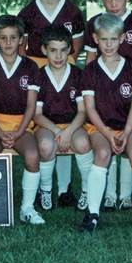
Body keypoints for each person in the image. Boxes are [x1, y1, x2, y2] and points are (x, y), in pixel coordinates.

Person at [79, 14, 132, 233]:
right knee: (103, 155)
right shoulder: (90, 70)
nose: (108, 44)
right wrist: (107, 133)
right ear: (95, 39)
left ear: (122, 39)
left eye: (113, 39)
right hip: (99, 127)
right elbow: (90, 108)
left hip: (127, 126)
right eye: (104, 39)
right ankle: (92, 213)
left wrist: (124, 132)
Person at [18, 0, 85, 208]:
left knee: (65, 119)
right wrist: (37, 72)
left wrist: (65, 69)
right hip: (38, 73)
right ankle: (44, 187)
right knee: (44, 125)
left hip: (63, 71)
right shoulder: (27, 12)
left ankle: (65, 189)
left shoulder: (72, 11)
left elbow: (76, 47)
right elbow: (22, 50)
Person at [83, 0, 132, 211]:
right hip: (104, 88)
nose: (113, 4)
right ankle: (110, 194)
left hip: (131, 88)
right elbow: (91, 58)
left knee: (128, 140)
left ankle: (127, 195)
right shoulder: (96, 22)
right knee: (107, 142)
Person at [0, 15, 45, 225]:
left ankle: (26, 208)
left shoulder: (30, 67)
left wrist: (19, 131)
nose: (8, 43)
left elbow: (31, 106)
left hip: (22, 125)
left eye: (13, 38)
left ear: (21, 40)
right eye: (3, 38)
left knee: (33, 156)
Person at [33, 25, 91, 212]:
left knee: (83, 143)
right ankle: (46, 189)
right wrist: (58, 131)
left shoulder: (78, 75)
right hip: (47, 125)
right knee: (46, 146)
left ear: (70, 50)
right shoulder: (39, 76)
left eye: (63, 50)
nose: (58, 56)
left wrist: (68, 131)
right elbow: (37, 114)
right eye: (53, 51)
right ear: (44, 50)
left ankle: (87, 190)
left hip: (72, 124)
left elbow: (82, 112)